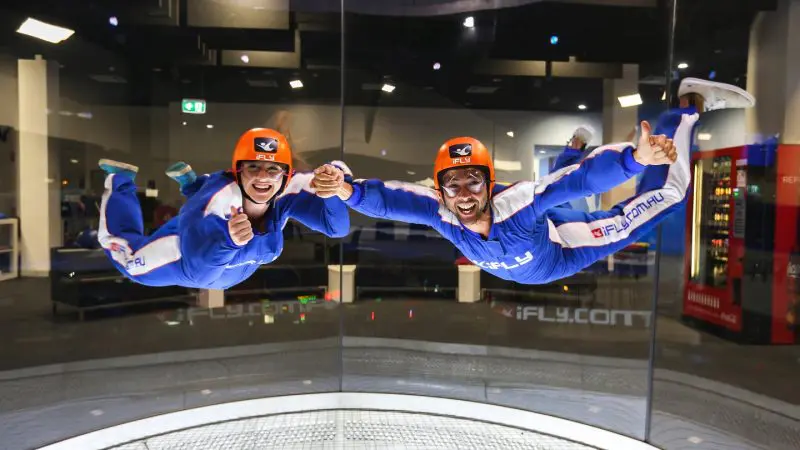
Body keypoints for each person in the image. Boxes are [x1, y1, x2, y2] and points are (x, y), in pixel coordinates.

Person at [312, 120, 688, 285]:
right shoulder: (441, 211)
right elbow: (395, 201)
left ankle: (685, 112)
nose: (463, 195)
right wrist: (347, 191)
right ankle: (572, 147)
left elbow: (577, 182)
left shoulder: (519, 203)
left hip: (559, 250)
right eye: (452, 184)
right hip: (530, 239)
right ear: (441, 190)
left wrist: (636, 159)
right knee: (554, 196)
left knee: (648, 207)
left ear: (489, 184)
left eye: (473, 182)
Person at [96, 128, 350, 289]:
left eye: (273, 169)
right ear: (237, 172)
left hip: (225, 259)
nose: (263, 178)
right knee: (130, 264)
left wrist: (332, 189)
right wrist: (228, 241)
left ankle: (193, 185)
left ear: (286, 175)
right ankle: (121, 181)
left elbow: (336, 228)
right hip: (184, 252)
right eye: (253, 168)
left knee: (207, 195)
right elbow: (200, 276)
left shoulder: (288, 188)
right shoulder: (214, 205)